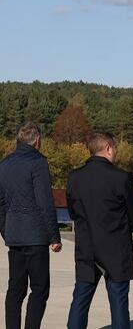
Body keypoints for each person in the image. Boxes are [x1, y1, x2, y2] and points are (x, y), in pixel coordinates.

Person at [67, 132, 133, 329]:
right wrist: (122, 232)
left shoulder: (74, 177)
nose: (115, 152)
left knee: (80, 300)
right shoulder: (121, 178)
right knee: (118, 303)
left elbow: (73, 212)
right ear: (108, 148)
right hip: (116, 248)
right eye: (115, 148)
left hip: (86, 246)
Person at [0, 122, 62, 329]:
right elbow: (45, 201)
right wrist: (54, 236)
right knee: (39, 288)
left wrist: (5, 230)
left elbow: (0, 203)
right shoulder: (38, 162)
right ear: (37, 140)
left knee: (15, 289)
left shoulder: (5, 164)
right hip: (35, 236)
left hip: (15, 235)